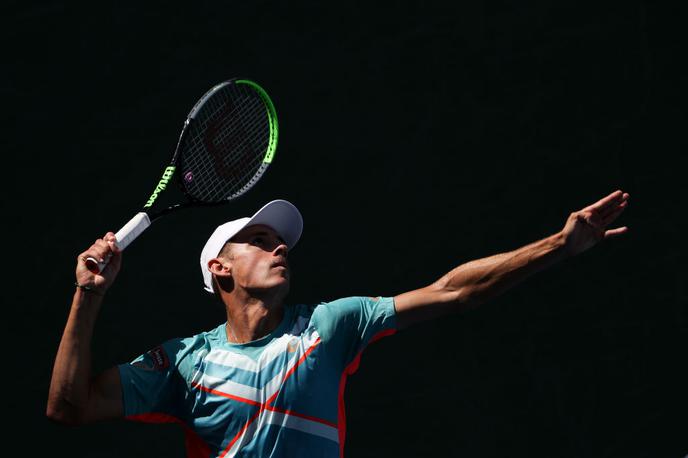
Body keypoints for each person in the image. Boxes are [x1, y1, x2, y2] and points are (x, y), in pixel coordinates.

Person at [47, 190, 630, 457]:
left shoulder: (331, 325)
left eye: (281, 243)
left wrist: (558, 245)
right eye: (261, 240)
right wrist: (87, 297)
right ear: (219, 268)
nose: (280, 250)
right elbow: (68, 408)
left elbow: (453, 292)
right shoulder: (182, 362)